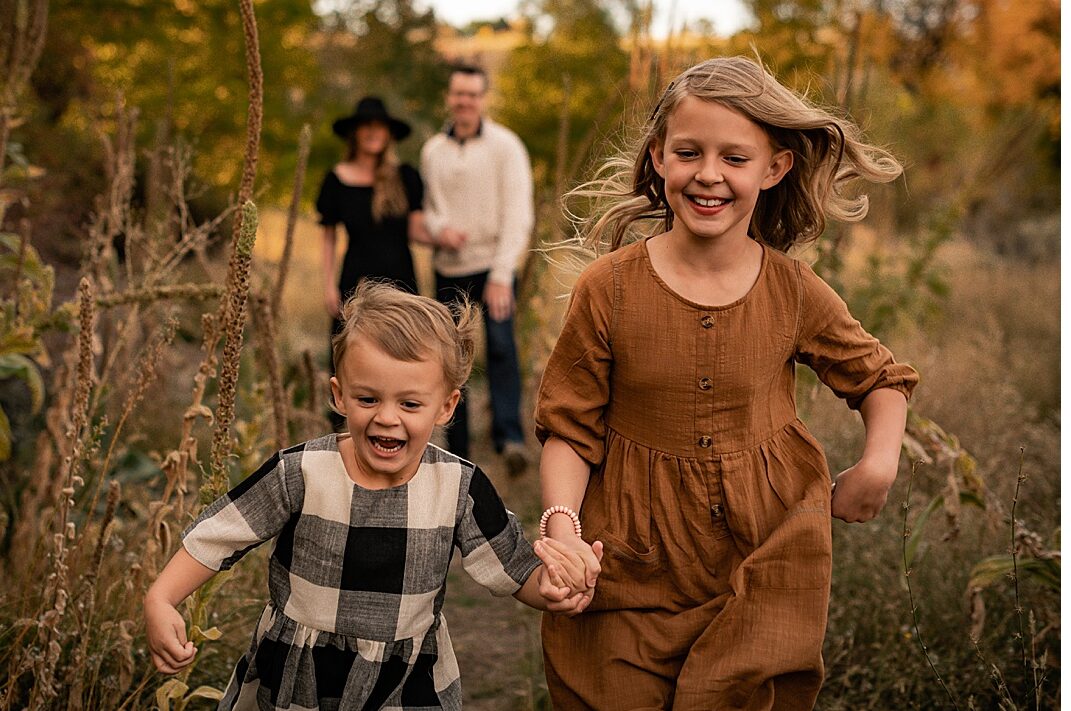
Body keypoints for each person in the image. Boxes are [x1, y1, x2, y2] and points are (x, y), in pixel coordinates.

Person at [535, 56, 920, 710]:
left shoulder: (792, 291)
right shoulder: (610, 289)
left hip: (761, 558)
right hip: (631, 559)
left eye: (734, 158)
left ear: (773, 169)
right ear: (658, 157)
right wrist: (561, 524)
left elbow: (879, 378)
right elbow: (569, 428)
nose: (708, 173)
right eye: (688, 151)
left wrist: (878, 463)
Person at [144, 282, 594, 710]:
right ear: (339, 395)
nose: (387, 418)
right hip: (301, 678)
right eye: (367, 399)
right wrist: (162, 598)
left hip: (405, 681)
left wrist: (552, 587)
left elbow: (512, 566)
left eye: (410, 404)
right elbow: (219, 534)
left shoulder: (459, 487)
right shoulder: (301, 472)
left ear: (447, 406)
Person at [420, 64, 534, 474]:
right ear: (449, 98)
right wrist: (438, 229)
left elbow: (519, 213)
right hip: (449, 268)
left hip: (494, 267)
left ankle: (510, 439)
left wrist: (503, 272)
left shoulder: (506, 146)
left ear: (483, 99)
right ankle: (458, 446)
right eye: (458, 94)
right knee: (453, 356)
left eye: (472, 94)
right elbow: (429, 209)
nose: (464, 101)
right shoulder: (433, 150)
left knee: (501, 347)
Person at [316, 96, 428, 341]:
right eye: (366, 125)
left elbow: (418, 230)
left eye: (379, 126)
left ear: (388, 134)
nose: (372, 132)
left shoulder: (405, 176)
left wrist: (449, 236)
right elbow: (328, 237)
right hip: (356, 282)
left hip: (401, 282)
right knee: (350, 351)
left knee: (402, 351)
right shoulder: (336, 179)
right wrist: (328, 286)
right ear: (355, 133)